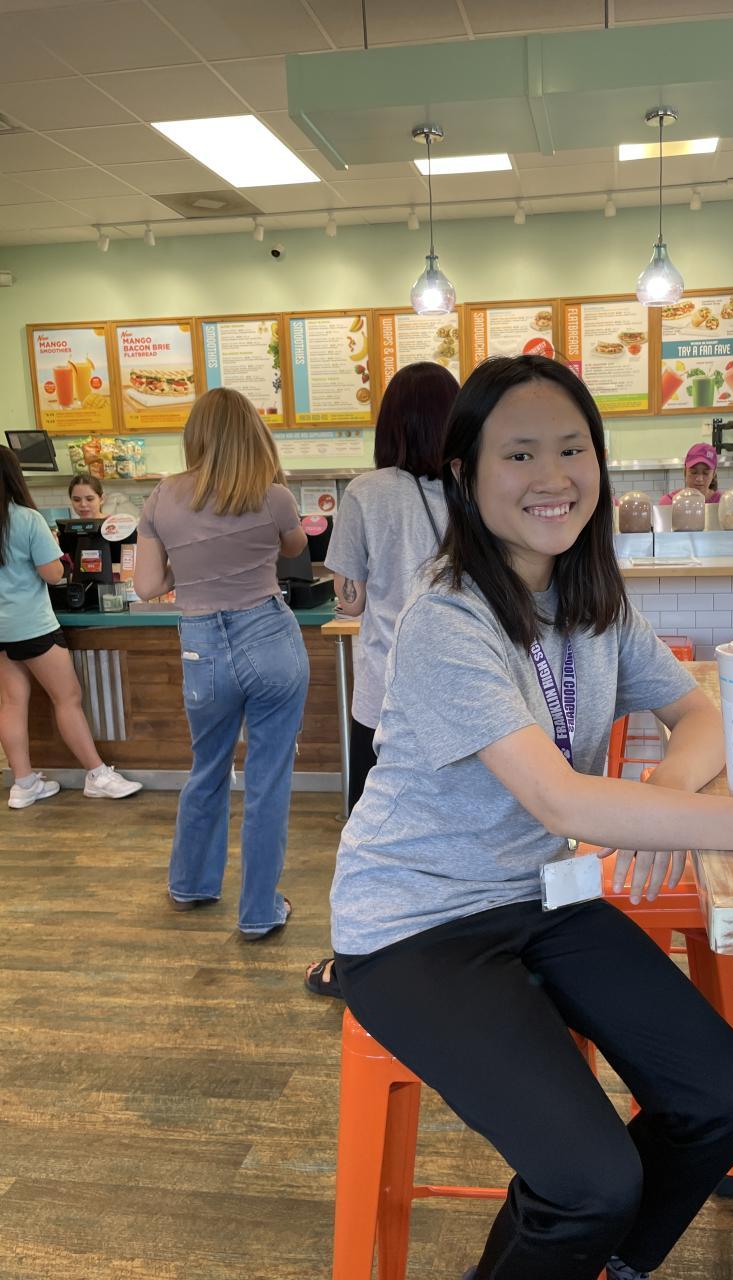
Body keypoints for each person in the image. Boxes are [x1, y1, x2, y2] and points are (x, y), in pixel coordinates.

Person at [328, 354, 733, 1280]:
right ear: (464, 474)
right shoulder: (448, 619)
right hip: (413, 923)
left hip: (540, 895)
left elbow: (699, 715)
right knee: (590, 1182)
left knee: (727, 1101)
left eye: (572, 449)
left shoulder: (593, 601)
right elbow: (562, 797)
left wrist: (668, 797)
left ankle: (601, 1266)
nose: (553, 476)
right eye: (519, 454)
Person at [305, 360, 459, 996]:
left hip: (385, 694)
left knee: (372, 836)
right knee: (454, 827)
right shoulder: (477, 487)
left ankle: (360, 962)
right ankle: (454, 949)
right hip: (465, 689)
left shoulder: (366, 493)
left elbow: (351, 601)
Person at [134, 388, 310, 939]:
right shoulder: (274, 495)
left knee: (207, 767)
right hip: (269, 637)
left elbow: (146, 585)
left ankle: (191, 885)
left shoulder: (162, 496)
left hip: (202, 644)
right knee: (267, 779)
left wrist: (187, 567)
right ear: (254, 435)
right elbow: (294, 547)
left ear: (196, 435)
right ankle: (259, 912)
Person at [0, 446, 143, 808]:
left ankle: (23, 783)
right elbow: (53, 574)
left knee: (11, 703)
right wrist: (56, 558)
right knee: (68, 698)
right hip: (31, 625)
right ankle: (97, 775)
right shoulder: (27, 519)